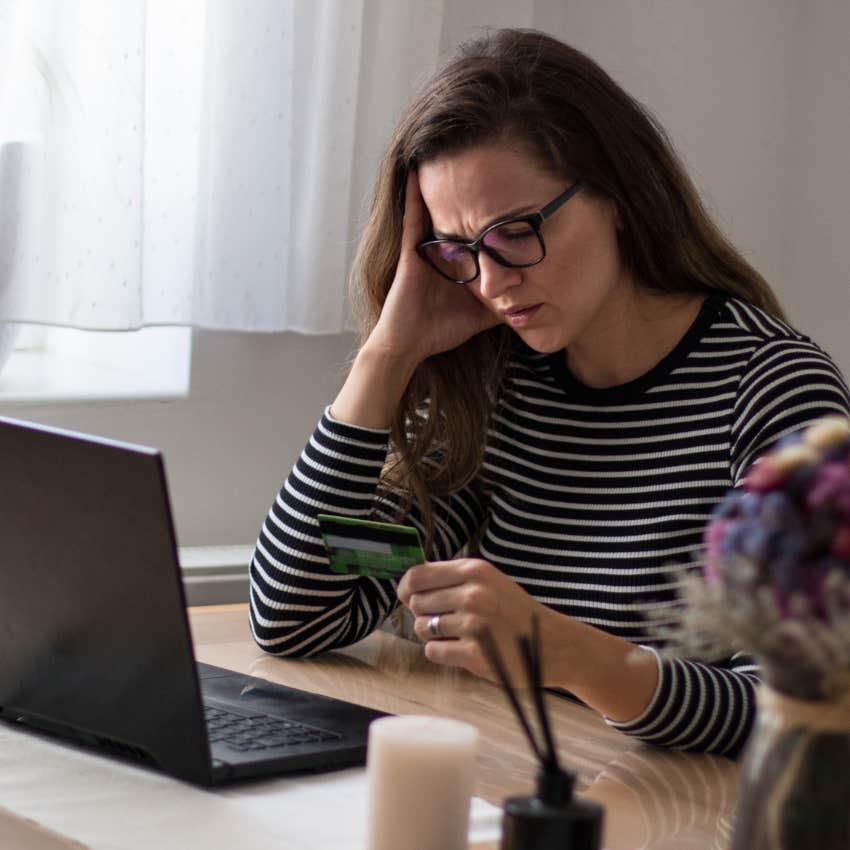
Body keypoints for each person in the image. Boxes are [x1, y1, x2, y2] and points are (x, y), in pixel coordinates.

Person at [249, 28, 850, 756]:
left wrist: (574, 658)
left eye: (514, 232)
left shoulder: (772, 390)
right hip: (517, 784)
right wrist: (386, 354)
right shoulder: (500, 383)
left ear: (618, 195)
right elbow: (298, 614)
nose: (490, 282)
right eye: (459, 250)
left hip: (670, 807)